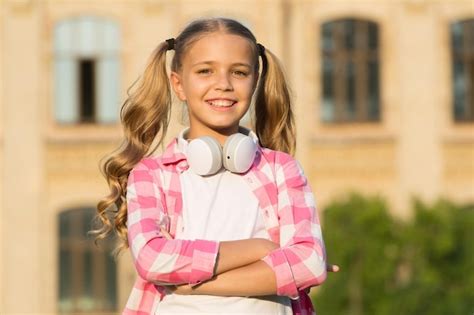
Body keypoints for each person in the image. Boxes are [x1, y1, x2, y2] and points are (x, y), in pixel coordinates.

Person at [94, 17, 337, 315]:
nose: (223, 84)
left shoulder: (282, 170)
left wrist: (186, 281)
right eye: (205, 71)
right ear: (179, 84)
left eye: (238, 72)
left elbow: (310, 263)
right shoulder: (152, 175)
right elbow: (152, 260)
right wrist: (259, 248)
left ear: (255, 81)